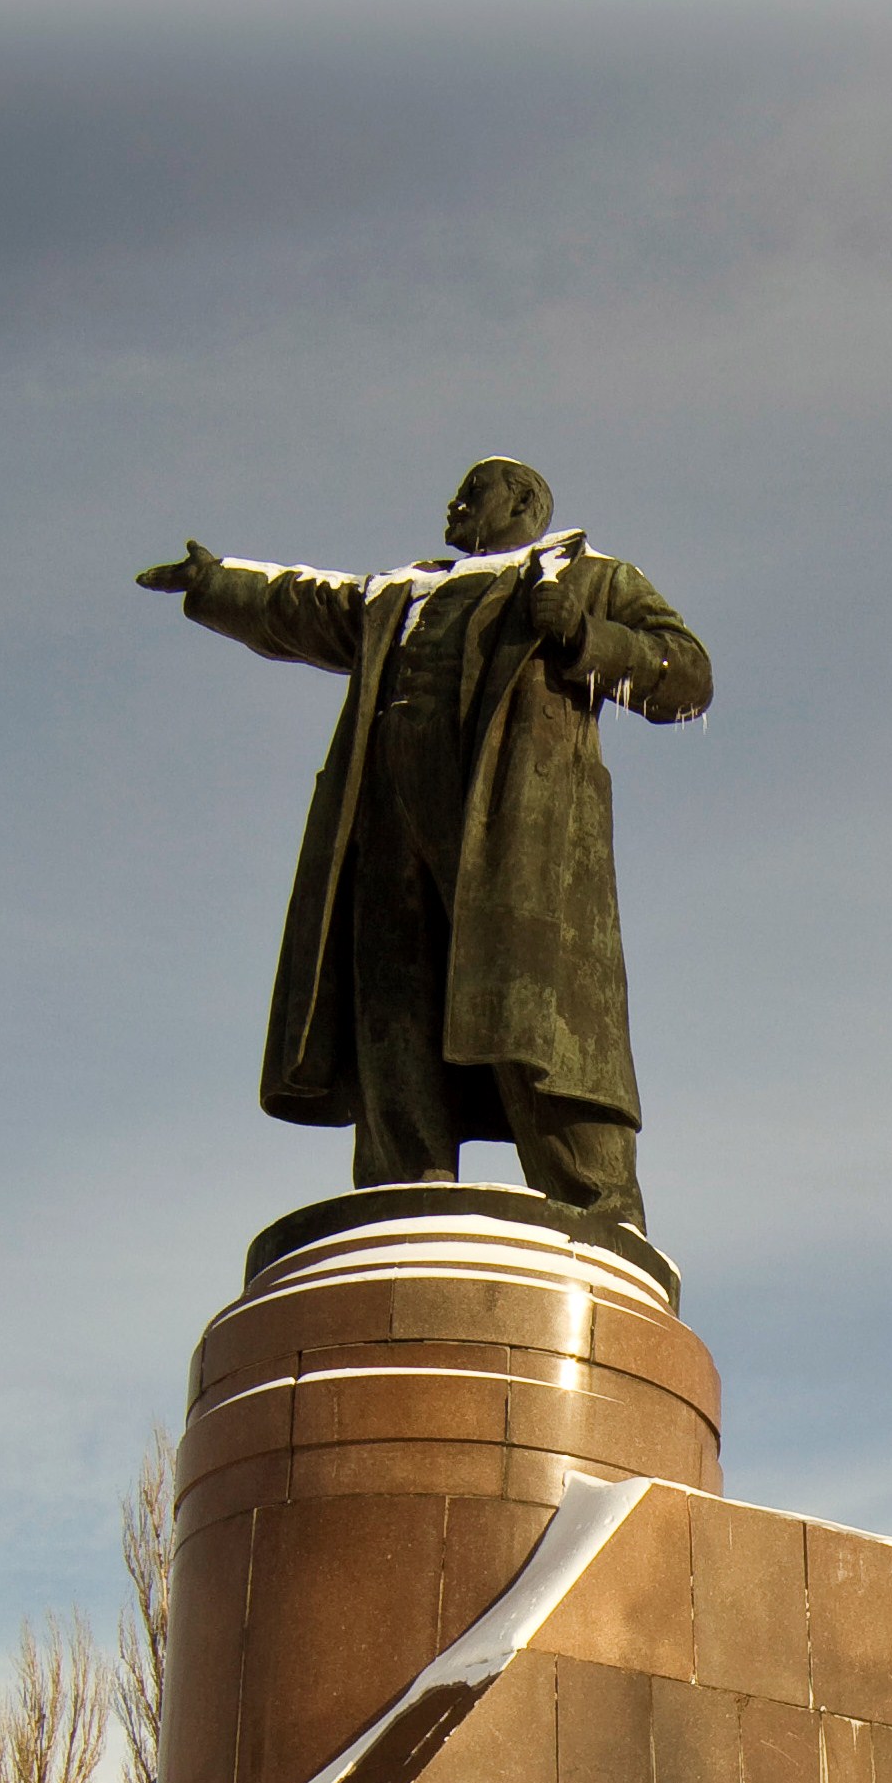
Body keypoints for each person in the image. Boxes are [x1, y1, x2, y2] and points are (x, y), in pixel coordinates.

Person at [137, 459, 713, 1250]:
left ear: (524, 503)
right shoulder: (401, 594)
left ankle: (601, 1211)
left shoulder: (591, 576)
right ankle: (402, 1200)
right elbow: (297, 602)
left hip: (517, 837)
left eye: (471, 491)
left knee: (538, 1023)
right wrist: (214, 582)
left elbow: (685, 675)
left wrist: (587, 636)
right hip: (385, 822)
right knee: (391, 1010)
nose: (453, 503)